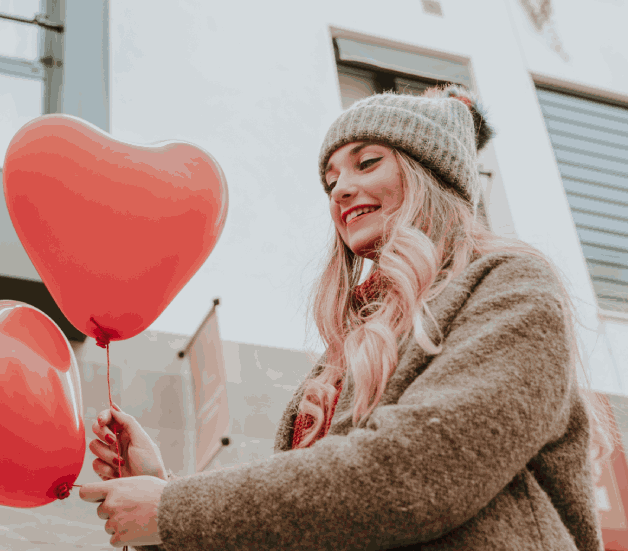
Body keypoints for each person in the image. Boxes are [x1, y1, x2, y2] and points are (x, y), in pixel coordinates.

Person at [79, 86, 611, 550]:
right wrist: (161, 501)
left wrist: (173, 507)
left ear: (428, 171)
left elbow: (419, 473)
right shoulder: (346, 349)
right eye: (331, 178)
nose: (340, 189)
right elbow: (307, 526)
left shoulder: (511, 285)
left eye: (367, 162)